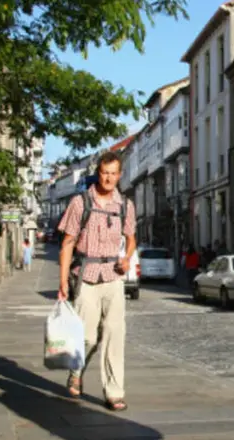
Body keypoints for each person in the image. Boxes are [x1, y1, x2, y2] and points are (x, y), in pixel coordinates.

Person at [57, 151, 136, 412]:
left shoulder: (125, 205)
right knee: (88, 337)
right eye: (105, 173)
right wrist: (63, 282)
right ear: (98, 173)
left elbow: (131, 237)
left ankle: (114, 392)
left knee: (115, 335)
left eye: (114, 173)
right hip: (86, 276)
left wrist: (126, 258)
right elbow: (67, 243)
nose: (109, 178)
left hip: (113, 276)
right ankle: (76, 370)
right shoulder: (80, 203)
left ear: (119, 174)